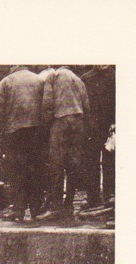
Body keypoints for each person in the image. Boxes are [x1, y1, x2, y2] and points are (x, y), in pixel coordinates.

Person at [0, 65, 45, 222]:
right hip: (37, 131)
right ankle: (36, 209)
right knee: (36, 169)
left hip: (14, 133)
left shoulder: (6, 81)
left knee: (16, 171)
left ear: (13, 66)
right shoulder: (39, 79)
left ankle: (18, 210)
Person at [38, 66, 90, 219]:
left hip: (60, 121)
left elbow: (47, 102)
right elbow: (86, 105)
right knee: (73, 164)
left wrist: (46, 125)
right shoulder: (78, 79)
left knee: (57, 164)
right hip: (78, 121)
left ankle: (56, 207)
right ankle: (69, 204)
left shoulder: (53, 76)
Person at [79, 65, 115, 210]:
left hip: (110, 126)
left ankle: (110, 195)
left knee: (110, 160)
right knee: (91, 162)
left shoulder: (115, 77)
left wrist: (115, 121)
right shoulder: (86, 78)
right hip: (91, 127)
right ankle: (93, 198)